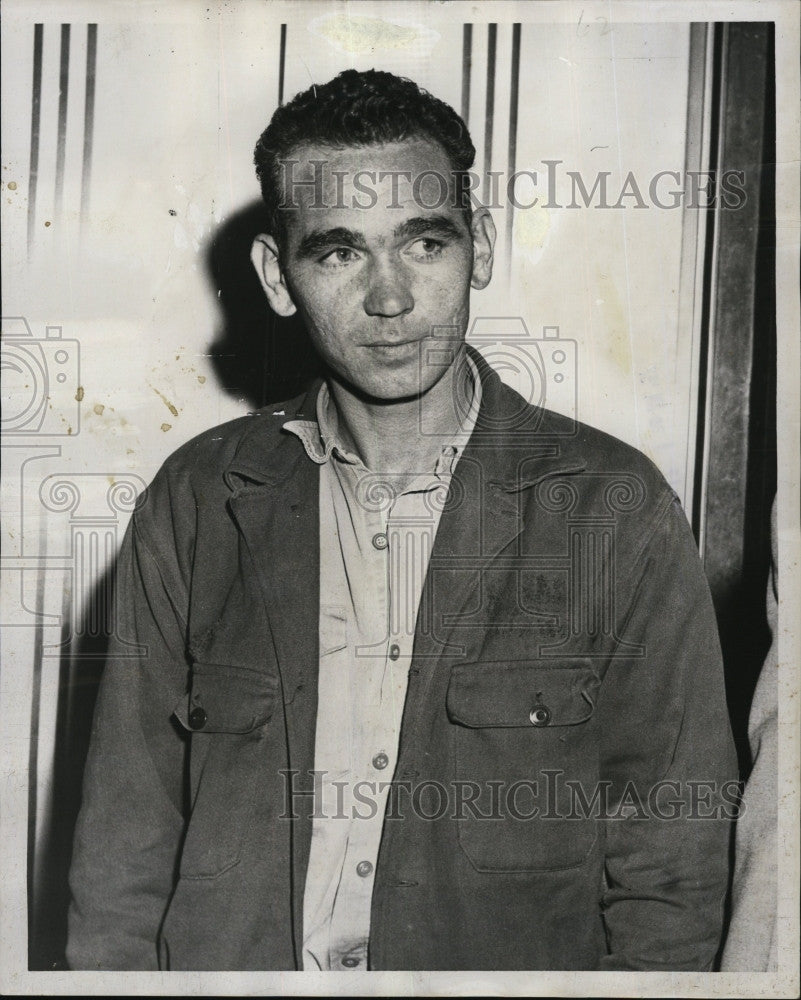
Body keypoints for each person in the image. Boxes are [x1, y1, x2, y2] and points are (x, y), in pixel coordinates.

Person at [67, 69, 737, 972]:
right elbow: (122, 850)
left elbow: (672, 865)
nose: (390, 299)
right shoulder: (198, 501)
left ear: (480, 247)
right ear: (276, 275)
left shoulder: (611, 509)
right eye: (339, 253)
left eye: (423, 243)